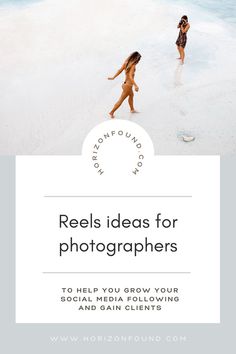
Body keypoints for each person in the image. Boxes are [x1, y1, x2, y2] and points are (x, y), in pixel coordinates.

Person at [108, 51, 141, 118]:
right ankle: (111, 112)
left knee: (131, 95)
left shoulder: (126, 62)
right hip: (128, 86)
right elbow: (130, 76)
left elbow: (120, 70)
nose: (138, 61)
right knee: (121, 99)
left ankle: (132, 109)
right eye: (138, 60)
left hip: (125, 85)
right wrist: (135, 85)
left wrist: (113, 77)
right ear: (136, 59)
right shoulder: (133, 65)